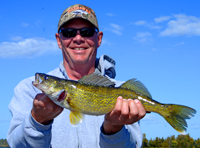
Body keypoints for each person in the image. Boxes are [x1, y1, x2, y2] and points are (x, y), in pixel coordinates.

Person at [7, 4, 146, 148]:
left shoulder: (123, 95)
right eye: (69, 33)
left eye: (86, 32)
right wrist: (37, 122)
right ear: (59, 40)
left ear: (99, 39)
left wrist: (113, 129)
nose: (78, 38)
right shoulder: (28, 90)